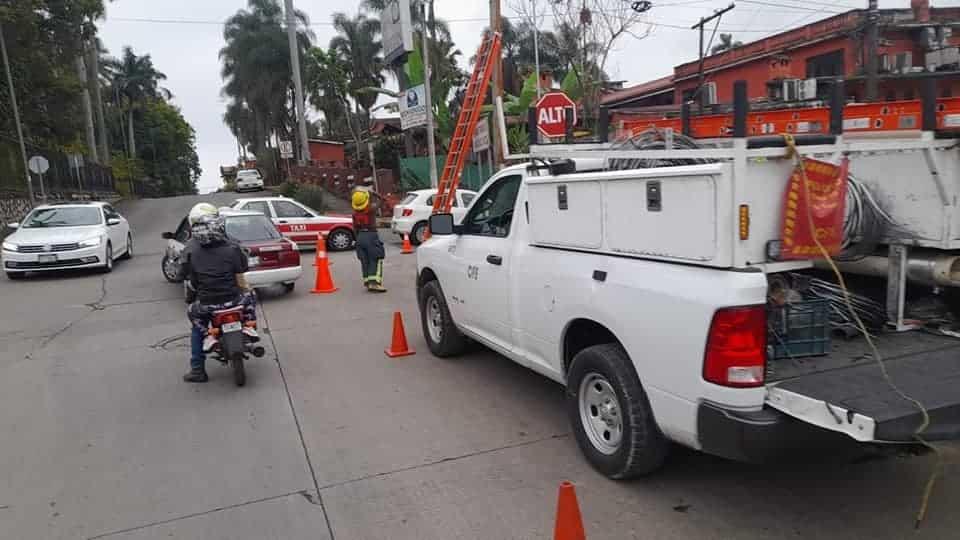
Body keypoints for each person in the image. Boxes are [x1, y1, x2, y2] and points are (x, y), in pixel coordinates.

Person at [177, 203, 257, 382]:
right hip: (234, 299)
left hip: (207, 303)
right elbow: (242, 270)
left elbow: (187, 278)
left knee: (194, 318)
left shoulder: (191, 250)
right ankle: (250, 327)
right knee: (251, 297)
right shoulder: (231, 246)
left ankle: (198, 367)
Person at [351, 188, 386, 292]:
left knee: (364, 261)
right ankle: (375, 283)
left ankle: (367, 282)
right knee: (376, 259)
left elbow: (354, 229)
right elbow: (383, 200)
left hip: (360, 237)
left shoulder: (354, 214)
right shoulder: (371, 210)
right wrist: (373, 193)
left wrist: (357, 240)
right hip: (371, 236)